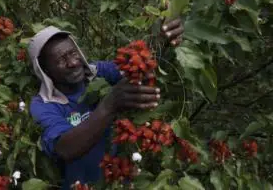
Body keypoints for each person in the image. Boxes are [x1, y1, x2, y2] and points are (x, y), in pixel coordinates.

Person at [28, 19, 184, 189]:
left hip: (119, 181)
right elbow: (65, 149)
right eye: (60, 60)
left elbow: (135, 64)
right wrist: (109, 105)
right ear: (45, 71)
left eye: (73, 53)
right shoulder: (42, 105)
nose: (73, 63)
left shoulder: (98, 72)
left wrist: (162, 38)